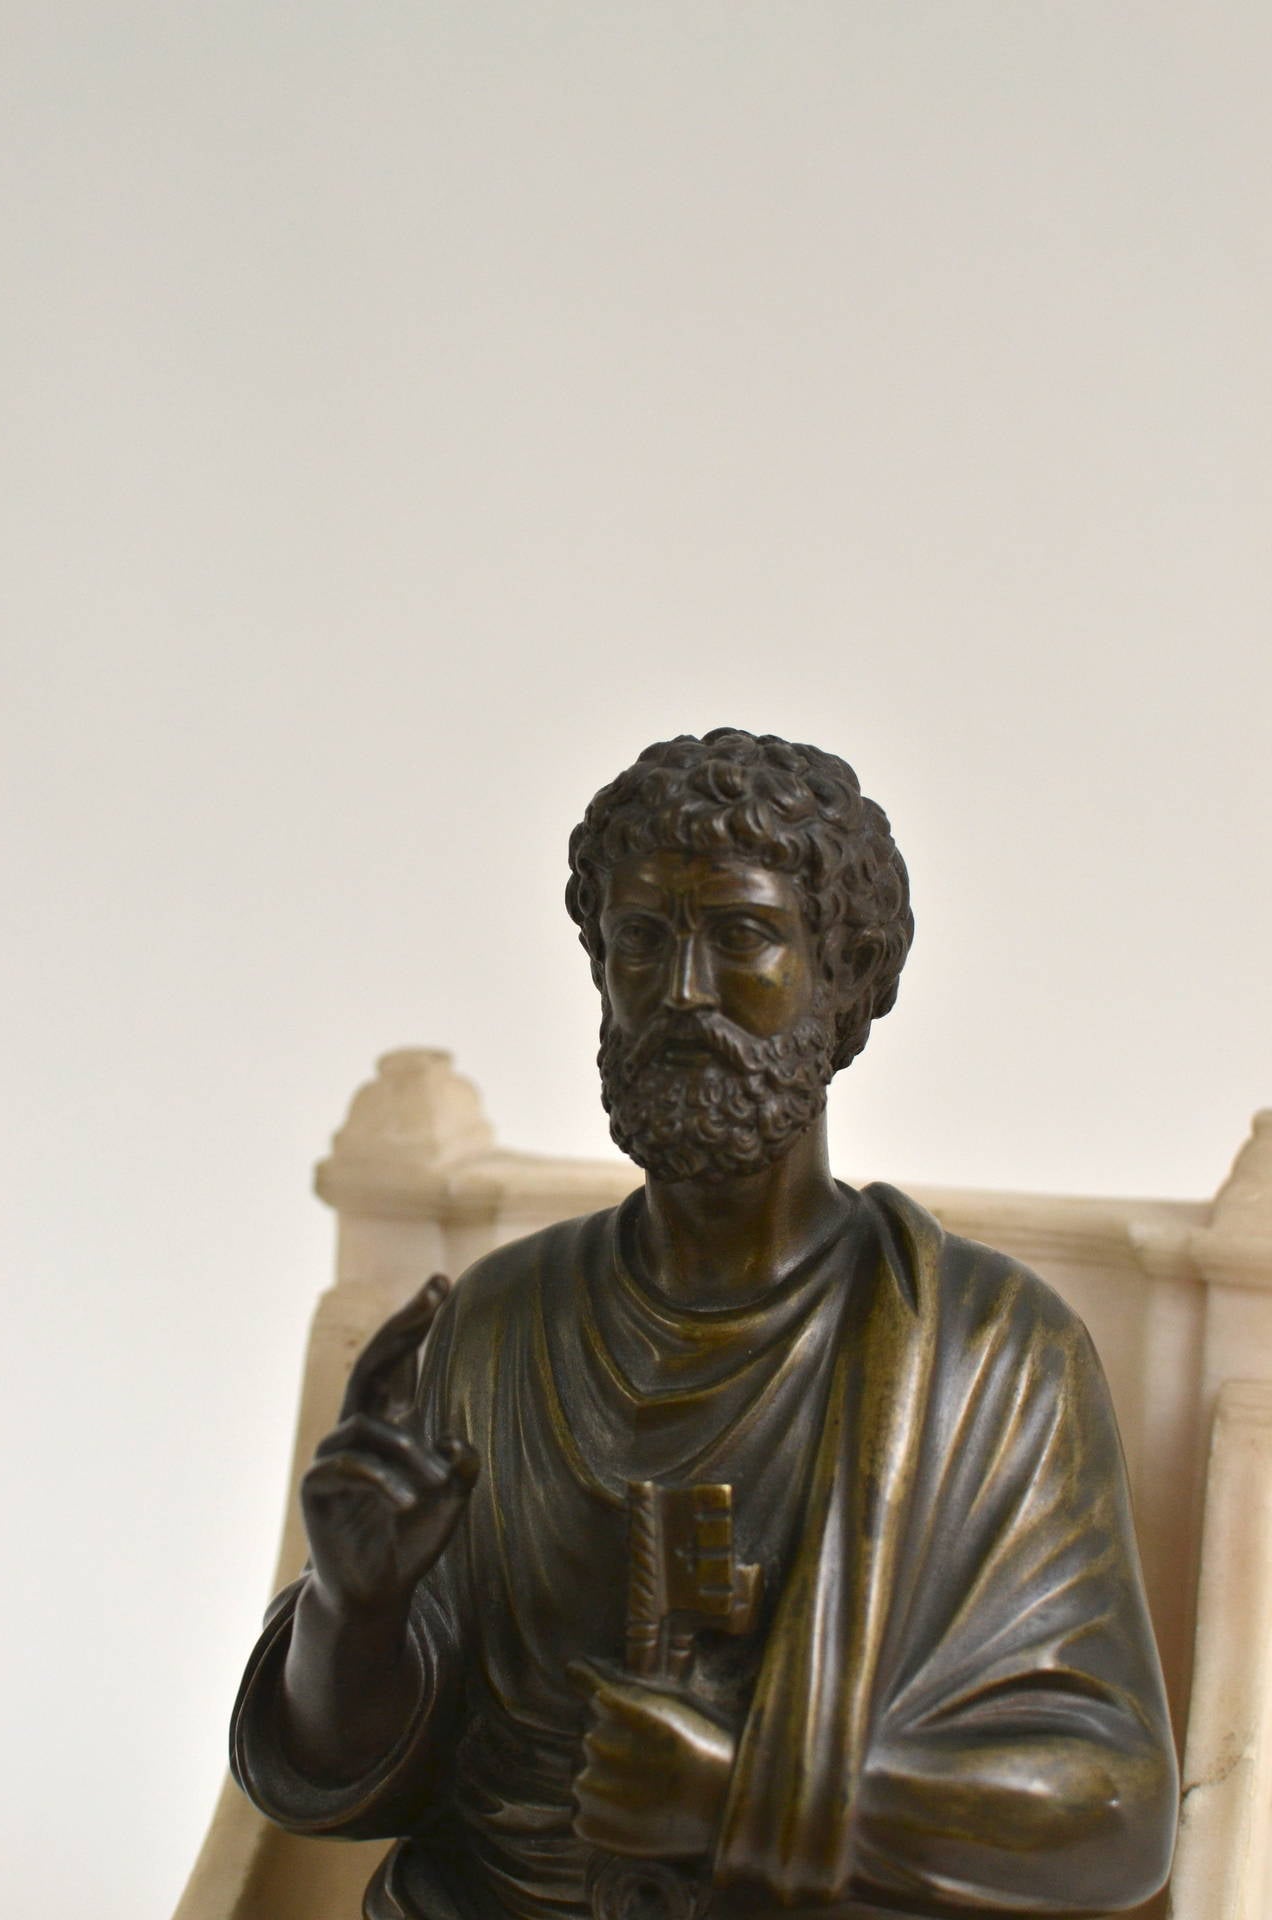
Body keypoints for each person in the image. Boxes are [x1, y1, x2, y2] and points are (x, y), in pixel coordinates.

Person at [231, 730, 1178, 1920]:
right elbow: (336, 1781)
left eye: (739, 936)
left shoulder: (987, 1360)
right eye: (641, 941)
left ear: (848, 979)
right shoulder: (491, 1330)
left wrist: (745, 1797)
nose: (681, 992)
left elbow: (1112, 1816)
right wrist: (352, 1612)